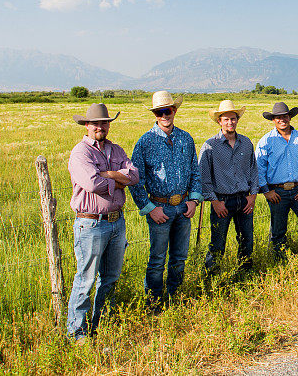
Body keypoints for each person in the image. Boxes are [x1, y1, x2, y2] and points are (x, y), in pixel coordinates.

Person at [66, 104, 139, 343]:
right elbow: (92, 184)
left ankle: (101, 324)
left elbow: (135, 176)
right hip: (92, 224)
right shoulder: (81, 153)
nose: (100, 127)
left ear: (109, 125)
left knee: (110, 277)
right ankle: (77, 332)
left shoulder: (116, 150)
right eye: (95, 123)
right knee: (86, 279)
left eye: (104, 122)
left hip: (117, 222)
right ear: (86, 126)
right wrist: (118, 177)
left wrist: (108, 175)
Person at [130, 91, 203, 306]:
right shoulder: (145, 142)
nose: (165, 115)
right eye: (160, 112)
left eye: (168, 110)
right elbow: (135, 180)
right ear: (155, 114)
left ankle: (175, 299)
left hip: (183, 207)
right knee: (157, 260)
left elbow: (195, 172)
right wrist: (150, 208)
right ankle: (154, 302)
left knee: (179, 259)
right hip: (159, 209)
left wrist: (194, 200)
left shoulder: (186, 138)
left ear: (175, 111)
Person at [198, 99, 259, 273]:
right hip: (222, 201)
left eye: (233, 119)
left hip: (244, 200)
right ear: (219, 121)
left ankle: (245, 274)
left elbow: (253, 170)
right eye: (226, 119)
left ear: (237, 120)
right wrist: (214, 201)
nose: (230, 122)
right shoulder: (210, 146)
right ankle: (212, 278)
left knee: (247, 241)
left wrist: (253, 196)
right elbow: (204, 176)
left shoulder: (246, 143)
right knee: (217, 243)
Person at [256, 102, 298, 256]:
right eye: (278, 117)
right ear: (273, 120)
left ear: (290, 117)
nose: (282, 119)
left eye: (285, 116)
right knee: (278, 231)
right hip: (277, 192)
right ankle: (280, 262)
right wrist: (266, 191)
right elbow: (259, 168)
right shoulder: (266, 141)